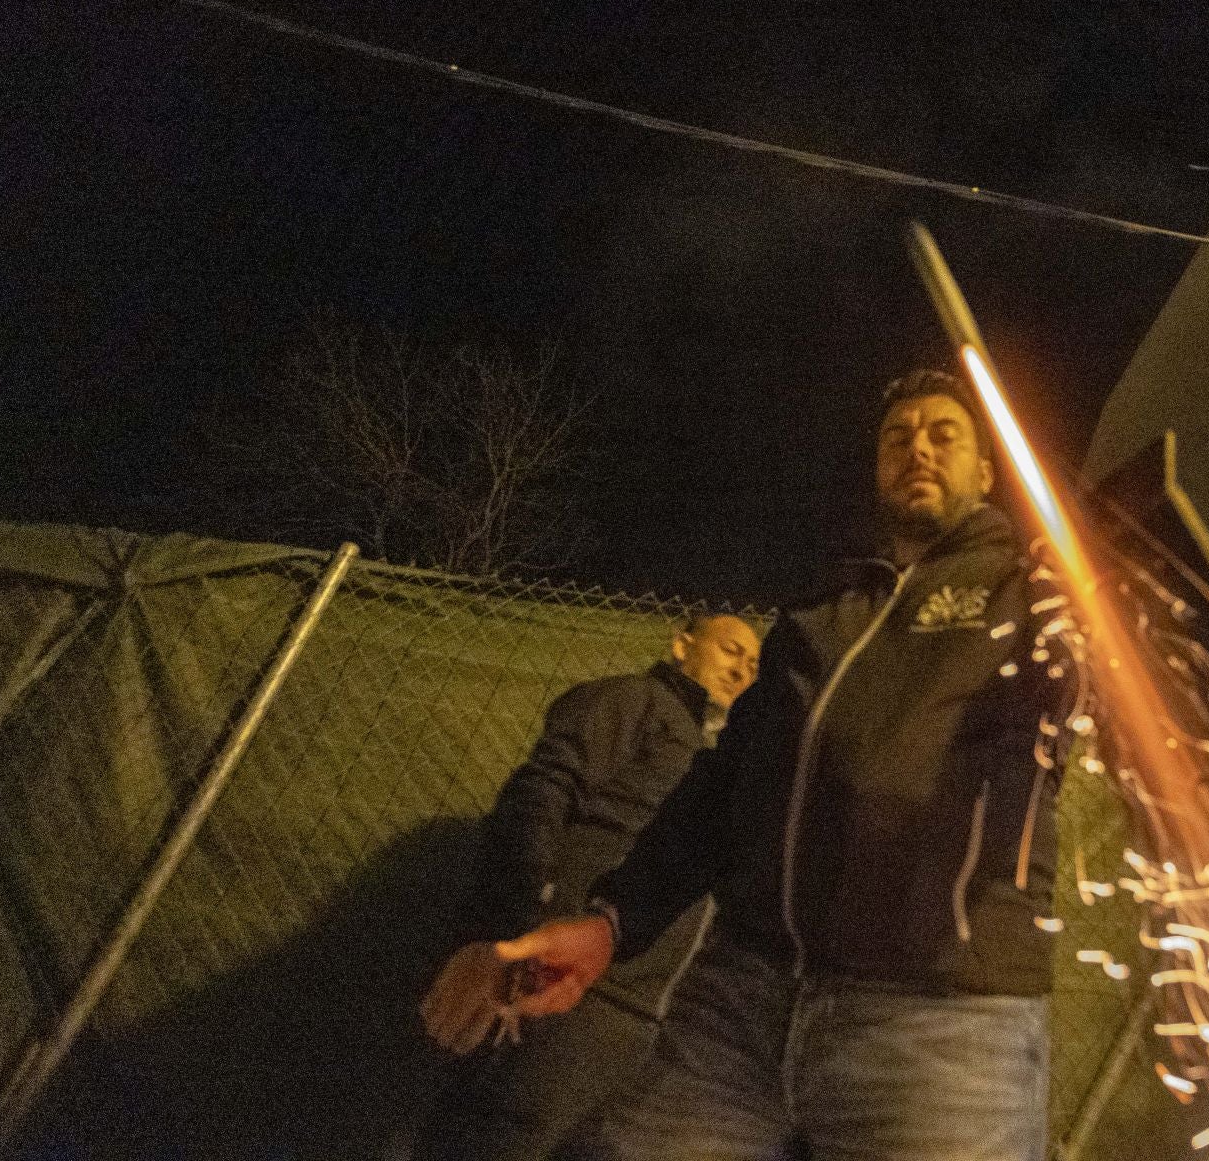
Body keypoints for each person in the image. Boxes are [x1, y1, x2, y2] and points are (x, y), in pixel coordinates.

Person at [422, 368, 1068, 1161]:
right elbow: (727, 784)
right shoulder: (822, 613)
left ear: (986, 471)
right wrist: (611, 922)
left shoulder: (1035, 593)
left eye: (944, 434)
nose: (918, 450)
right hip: (740, 1004)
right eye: (897, 437)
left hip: (940, 1019)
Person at [416, 612, 762, 1161]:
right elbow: (542, 793)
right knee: (502, 1136)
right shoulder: (635, 702)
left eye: (754, 664)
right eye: (730, 650)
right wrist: (517, 925)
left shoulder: (715, 760)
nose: (743, 669)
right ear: (681, 644)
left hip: (638, 1010)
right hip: (565, 979)